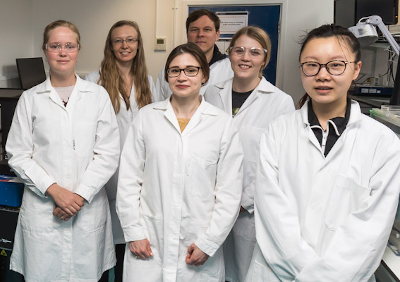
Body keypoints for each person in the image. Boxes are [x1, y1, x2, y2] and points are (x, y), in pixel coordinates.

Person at [245, 24, 400, 282]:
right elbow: (273, 216)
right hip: (276, 274)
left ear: (356, 70)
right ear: (302, 69)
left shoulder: (382, 143)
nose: (322, 75)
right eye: (312, 65)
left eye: (336, 65)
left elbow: (370, 231)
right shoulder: (278, 132)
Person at [116, 42, 243, 281]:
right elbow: (129, 181)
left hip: (198, 245)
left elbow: (229, 193)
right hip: (148, 241)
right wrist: (134, 232)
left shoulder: (222, 124)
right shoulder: (147, 118)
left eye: (191, 70)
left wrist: (209, 242)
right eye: (175, 70)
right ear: (167, 76)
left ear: (204, 75)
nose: (182, 76)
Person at [6, 20, 120, 282]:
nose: (62, 52)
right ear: (45, 50)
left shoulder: (97, 95)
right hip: (44, 208)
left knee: (87, 274)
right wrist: (54, 190)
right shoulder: (30, 98)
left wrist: (78, 196)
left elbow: (108, 153)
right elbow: (18, 154)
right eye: (55, 45)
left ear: (78, 50)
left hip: (87, 209)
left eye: (69, 45)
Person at [204, 26, 294, 282]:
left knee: (244, 272)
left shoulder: (280, 101)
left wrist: (243, 201)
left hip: (249, 210)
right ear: (229, 54)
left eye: (255, 52)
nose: (245, 58)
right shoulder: (212, 92)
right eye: (239, 50)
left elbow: (278, 161)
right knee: (208, 269)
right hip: (211, 201)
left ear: (264, 59)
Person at [85, 20, 155, 282]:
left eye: (131, 40)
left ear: (138, 44)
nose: (125, 45)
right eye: (118, 40)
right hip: (107, 172)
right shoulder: (94, 80)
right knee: (105, 241)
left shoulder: (148, 81)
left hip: (140, 170)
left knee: (133, 240)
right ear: (110, 46)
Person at [155, 9, 233, 101]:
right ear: (187, 34)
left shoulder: (230, 69)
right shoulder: (170, 70)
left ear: (217, 34)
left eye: (207, 29)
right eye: (194, 30)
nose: (200, 34)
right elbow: (158, 105)